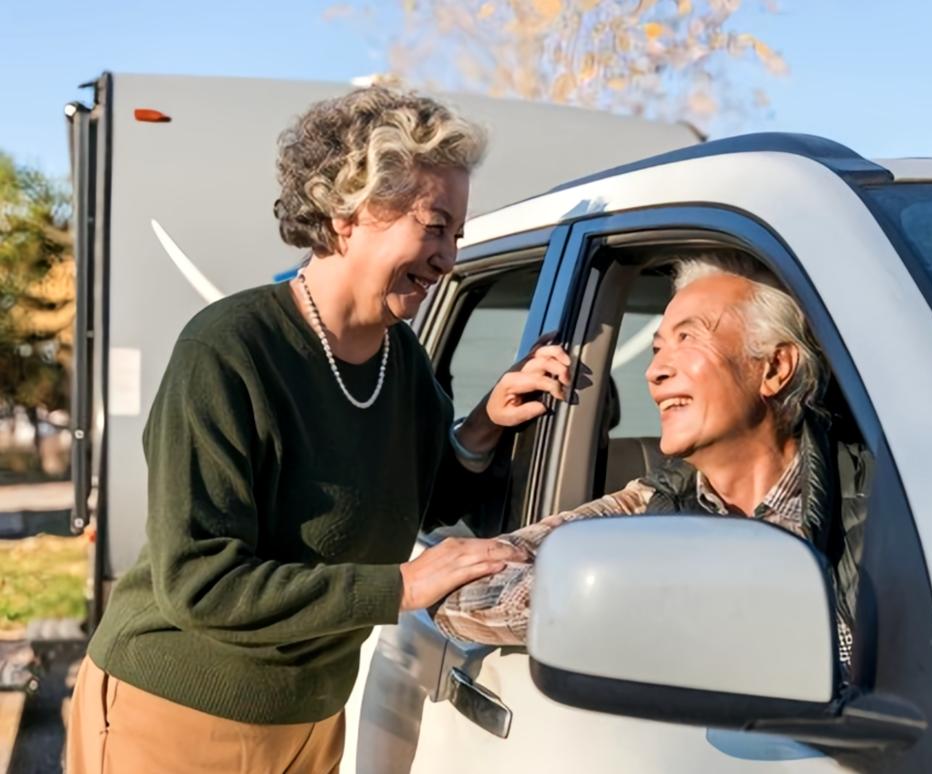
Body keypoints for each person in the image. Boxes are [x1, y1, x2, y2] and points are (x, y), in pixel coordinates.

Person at [65, 86, 567, 774]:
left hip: (310, 720)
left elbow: (418, 496)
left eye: (456, 234)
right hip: (179, 716)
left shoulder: (404, 362)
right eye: (433, 225)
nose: (448, 257)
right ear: (347, 214)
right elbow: (200, 582)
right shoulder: (229, 351)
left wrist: (484, 423)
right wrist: (401, 587)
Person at [435, 254, 870, 680]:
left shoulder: (887, 506)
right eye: (657, 347)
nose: (654, 371)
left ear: (774, 368)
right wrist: (663, 604)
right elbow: (454, 589)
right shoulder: (650, 503)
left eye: (688, 339)